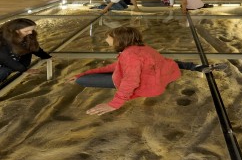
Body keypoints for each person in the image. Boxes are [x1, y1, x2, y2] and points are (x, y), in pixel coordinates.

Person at [68, 26, 228, 116]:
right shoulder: (141, 48)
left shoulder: (129, 55)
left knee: (82, 82)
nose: (106, 39)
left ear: (119, 40)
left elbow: (130, 81)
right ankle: (197, 67)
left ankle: (82, 79)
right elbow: (114, 68)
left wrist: (114, 104)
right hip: (154, 76)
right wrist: (84, 72)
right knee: (85, 77)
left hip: (144, 84)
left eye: (109, 37)